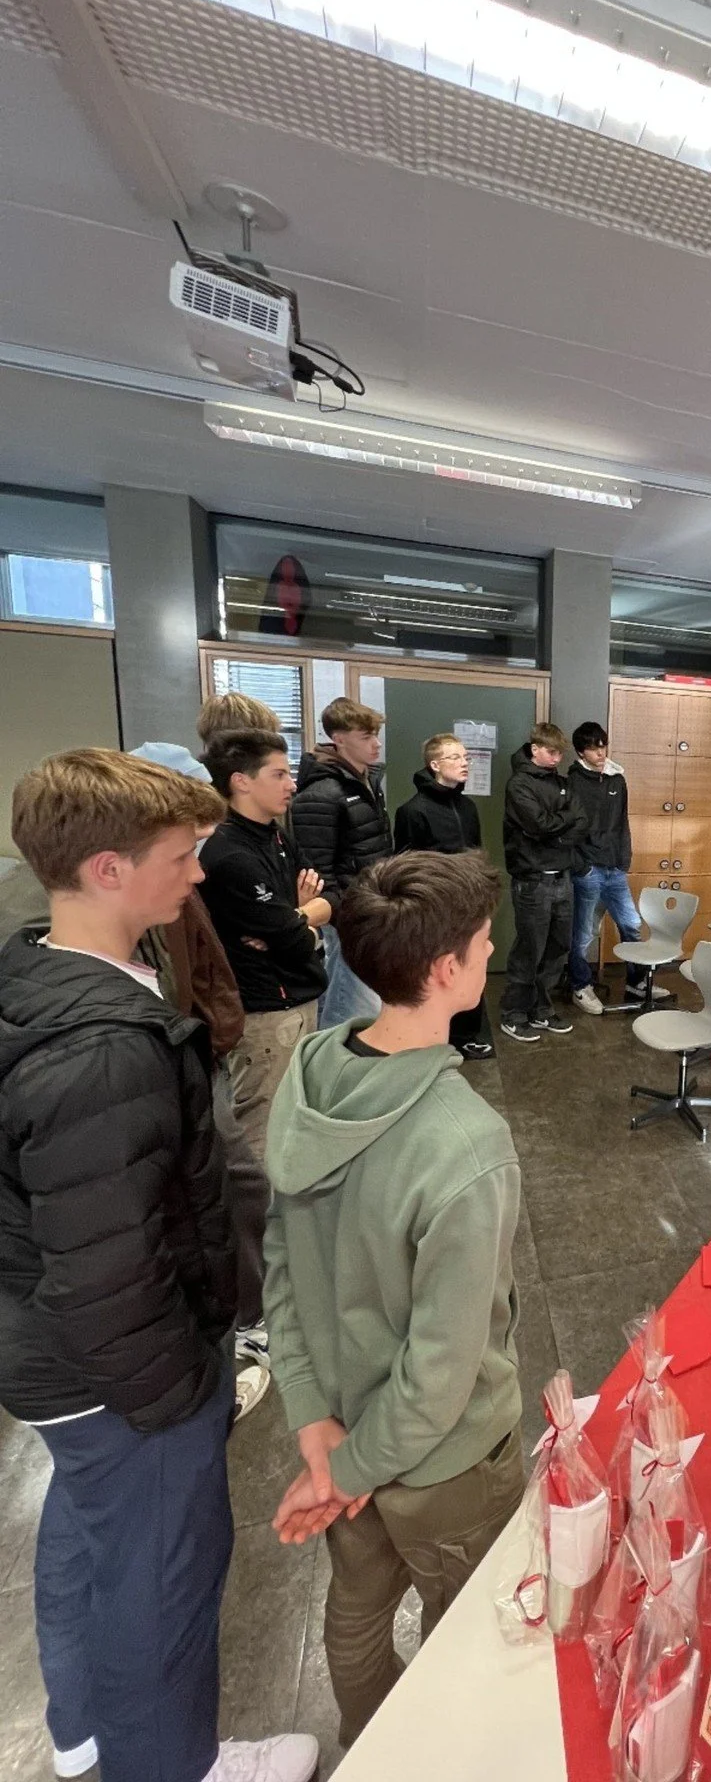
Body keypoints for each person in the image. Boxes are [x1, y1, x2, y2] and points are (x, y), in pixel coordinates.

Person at [0, 748, 318, 1782]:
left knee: (91, 1538)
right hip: (120, 1374)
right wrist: (186, 1396)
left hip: (58, 1361)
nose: (196, 875)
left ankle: (86, 1729)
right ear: (105, 870)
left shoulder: (41, 973)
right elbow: (110, 1271)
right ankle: (170, 1762)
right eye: (179, 858)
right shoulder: (100, 1053)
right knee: (160, 1578)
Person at [263, 851, 524, 1746]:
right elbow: (442, 1374)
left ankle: (374, 1749)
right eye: (485, 944)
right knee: (482, 1638)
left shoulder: (309, 1074)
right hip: (442, 1469)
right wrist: (350, 1471)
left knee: (357, 1616)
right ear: (447, 968)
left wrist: (319, 1438)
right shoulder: (468, 1144)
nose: (490, 956)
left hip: (341, 1426)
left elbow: (282, 1269)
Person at [126, 738, 271, 1420]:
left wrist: (212, 1031)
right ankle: (240, 1324)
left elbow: (201, 969)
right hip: (181, 1061)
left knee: (233, 1178)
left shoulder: (173, 901)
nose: (199, 869)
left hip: (197, 1051)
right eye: (185, 853)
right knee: (227, 1180)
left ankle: (248, 1312)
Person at [199, 730, 331, 1371]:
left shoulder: (276, 834)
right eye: (279, 774)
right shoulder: (227, 855)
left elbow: (304, 902)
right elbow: (280, 928)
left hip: (300, 997)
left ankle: (293, 1254)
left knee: (291, 1127)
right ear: (240, 782)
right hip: (264, 1016)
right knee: (257, 1150)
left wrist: (302, 910)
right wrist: (297, 915)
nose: (291, 783)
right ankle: (261, 1302)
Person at [291, 696, 392, 1030]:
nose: (376, 744)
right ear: (339, 739)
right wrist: (346, 913)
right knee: (350, 1005)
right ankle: (337, 1071)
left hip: (371, 909)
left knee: (365, 1000)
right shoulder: (321, 793)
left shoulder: (367, 783)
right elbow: (317, 871)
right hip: (346, 917)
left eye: (376, 735)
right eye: (366, 737)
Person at [393, 733, 494, 1060]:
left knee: (470, 968)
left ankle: (467, 1035)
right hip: (436, 909)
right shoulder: (413, 811)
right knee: (437, 973)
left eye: (466, 757)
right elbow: (407, 867)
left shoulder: (468, 807)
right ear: (435, 764)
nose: (465, 762)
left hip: (471, 904)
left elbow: (477, 854)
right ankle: (434, 1035)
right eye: (455, 757)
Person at [565, 721, 670, 1015]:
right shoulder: (573, 782)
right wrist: (582, 866)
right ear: (581, 752)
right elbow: (570, 829)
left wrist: (624, 859)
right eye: (593, 748)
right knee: (584, 933)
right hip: (588, 869)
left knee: (631, 925)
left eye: (603, 746)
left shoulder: (616, 779)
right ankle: (580, 986)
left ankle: (636, 982)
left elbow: (622, 822)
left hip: (614, 869)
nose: (600, 752)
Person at [499, 721, 585, 1042]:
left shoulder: (563, 783)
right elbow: (538, 824)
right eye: (551, 752)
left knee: (557, 947)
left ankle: (542, 1011)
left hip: (563, 877)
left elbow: (581, 822)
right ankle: (514, 1013)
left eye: (560, 753)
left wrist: (556, 833)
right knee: (529, 949)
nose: (557, 758)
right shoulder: (519, 785)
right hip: (533, 880)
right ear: (535, 749)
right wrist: (559, 827)